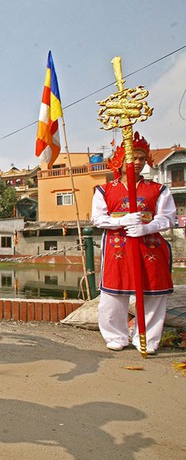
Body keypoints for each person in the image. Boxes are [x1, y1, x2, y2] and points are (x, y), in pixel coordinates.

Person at [91, 132, 176, 354]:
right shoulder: (105, 190)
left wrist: (148, 227)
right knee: (112, 295)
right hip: (118, 245)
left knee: (153, 295)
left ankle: (147, 338)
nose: (136, 163)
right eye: (132, 158)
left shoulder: (158, 189)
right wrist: (122, 220)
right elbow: (98, 219)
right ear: (119, 161)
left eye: (141, 158)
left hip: (149, 245)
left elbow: (168, 218)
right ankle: (116, 335)